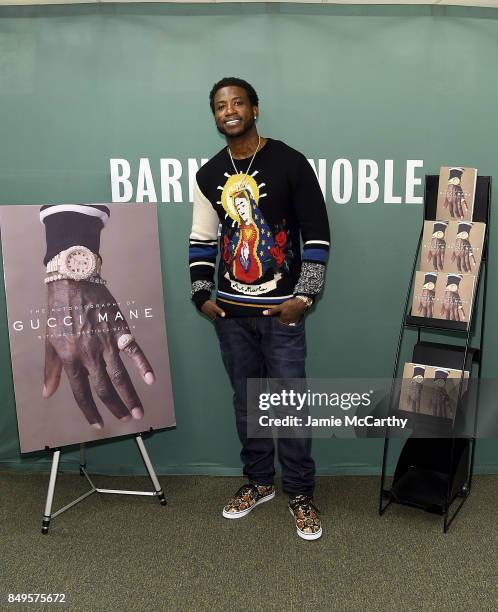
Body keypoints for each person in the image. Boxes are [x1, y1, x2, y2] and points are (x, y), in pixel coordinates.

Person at [189, 77, 330, 540]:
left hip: (280, 313)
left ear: (255, 108)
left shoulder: (290, 162)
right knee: (247, 403)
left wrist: (303, 298)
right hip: (230, 315)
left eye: (237, 103)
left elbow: (317, 235)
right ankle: (258, 483)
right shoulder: (210, 175)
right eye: (219, 106)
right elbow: (202, 239)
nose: (228, 111)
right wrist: (201, 295)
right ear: (215, 116)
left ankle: (302, 493)